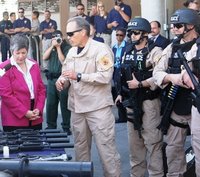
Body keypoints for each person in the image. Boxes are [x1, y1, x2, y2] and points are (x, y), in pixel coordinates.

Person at [56, 16, 121, 177]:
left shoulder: (101, 49)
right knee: (81, 153)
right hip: (77, 109)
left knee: (107, 152)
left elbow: (105, 77)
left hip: (97, 109)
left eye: (71, 33)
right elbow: (66, 74)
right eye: (67, 34)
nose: (68, 37)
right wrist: (62, 81)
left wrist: (79, 76)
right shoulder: (71, 52)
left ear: (83, 32)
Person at [153, 8, 200, 176]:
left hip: (197, 106)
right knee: (173, 151)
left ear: (191, 26)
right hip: (176, 107)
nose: (174, 29)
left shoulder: (198, 47)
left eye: (178, 26)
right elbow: (157, 73)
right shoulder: (172, 47)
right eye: (173, 25)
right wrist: (174, 78)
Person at [115, 17, 164, 177]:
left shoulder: (155, 51)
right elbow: (122, 74)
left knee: (153, 143)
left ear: (145, 34)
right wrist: (121, 94)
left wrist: (141, 84)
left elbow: (160, 76)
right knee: (135, 147)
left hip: (149, 102)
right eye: (130, 33)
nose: (132, 36)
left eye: (135, 33)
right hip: (131, 102)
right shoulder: (127, 51)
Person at [0, 34, 46, 132]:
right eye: (18, 53)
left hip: (35, 116)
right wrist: (24, 112)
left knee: (36, 145)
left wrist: (39, 108)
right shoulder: (4, 67)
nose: (21, 56)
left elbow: (41, 89)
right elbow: (6, 95)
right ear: (12, 51)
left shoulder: (34, 65)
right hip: (14, 119)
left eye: (24, 53)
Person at [43, 30, 71, 135]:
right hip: (51, 79)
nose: (56, 39)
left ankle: (66, 126)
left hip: (62, 79)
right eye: (53, 37)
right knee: (50, 104)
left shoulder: (67, 47)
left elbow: (63, 61)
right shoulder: (52, 46)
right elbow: (44, 57)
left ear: (62, 37)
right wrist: (52, 46)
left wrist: (59, 47)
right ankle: (51, 126)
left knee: (64, 103)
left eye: (57, 37)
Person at [112, 27, 127, 123]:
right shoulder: (114, 47)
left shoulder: (127, 46)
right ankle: (121, 116)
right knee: (116, 92)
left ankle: (125, 116)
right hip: (115, 70)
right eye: (117, 35)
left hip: (123, 70)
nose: (118, 37)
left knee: (123, 92)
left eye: (121, 35)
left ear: (124, 36)